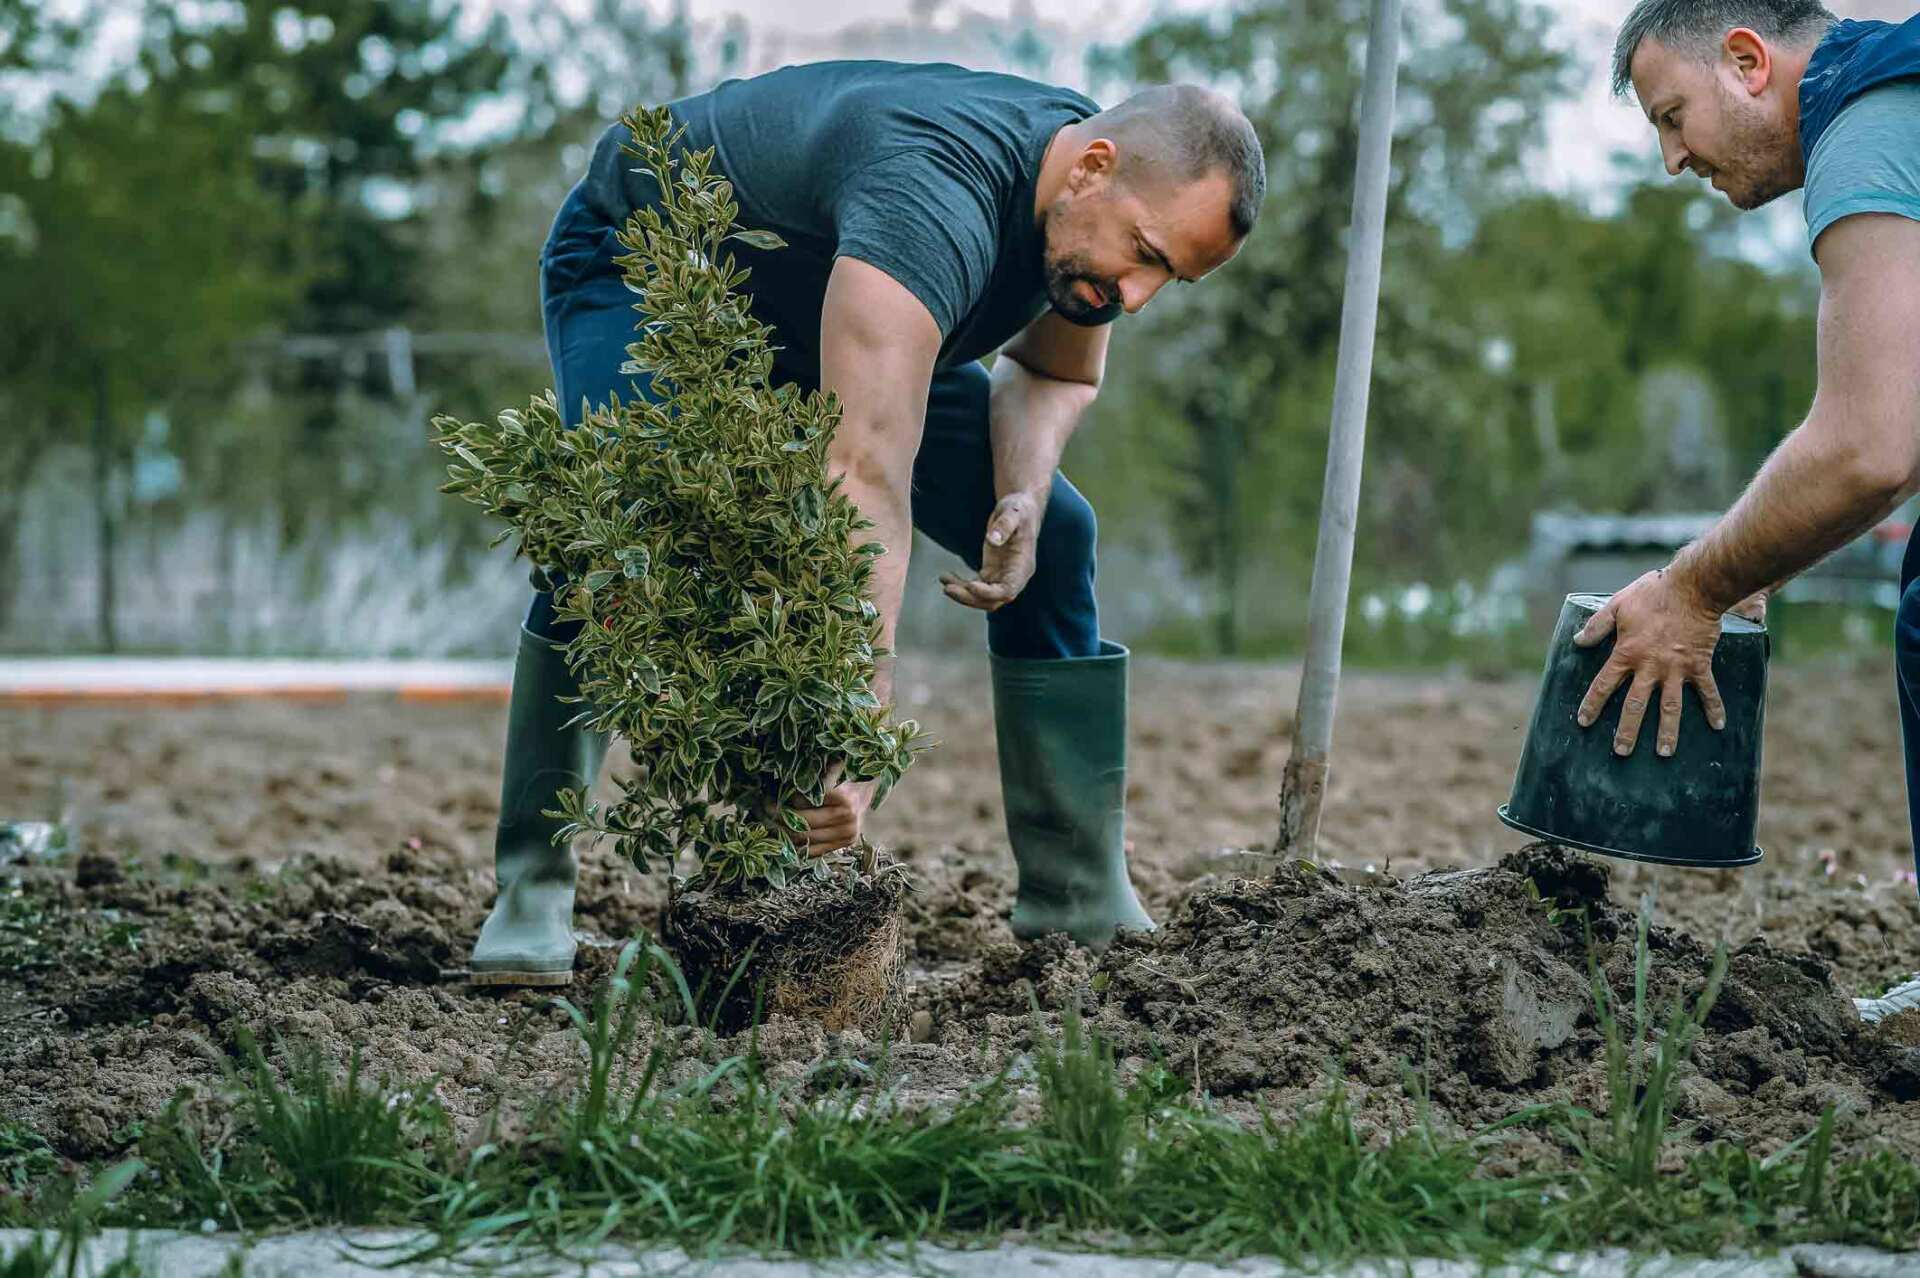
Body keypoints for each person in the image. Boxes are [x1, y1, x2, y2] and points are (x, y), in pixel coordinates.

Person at [468, 60, 1265, 985]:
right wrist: (856, 712)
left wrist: (1021, 492)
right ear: (1092, 166)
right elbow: (861, 478)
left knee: (1061, 540)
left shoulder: (1082, 231)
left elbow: (1054, 376)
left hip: (825, 315)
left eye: (1171, 278)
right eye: (1149, 254)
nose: (1135, 297)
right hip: (652, 267)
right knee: (621, 526)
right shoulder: (934, 194)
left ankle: (1076, 897)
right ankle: (532, 884)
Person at [1596, 0, 1920, 1021]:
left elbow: (1871, 444)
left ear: (1746, 61)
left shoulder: (1867, 118)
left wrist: (1694, 588)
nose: (1671, 158)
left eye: (1670, 115)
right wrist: (1756, 570)